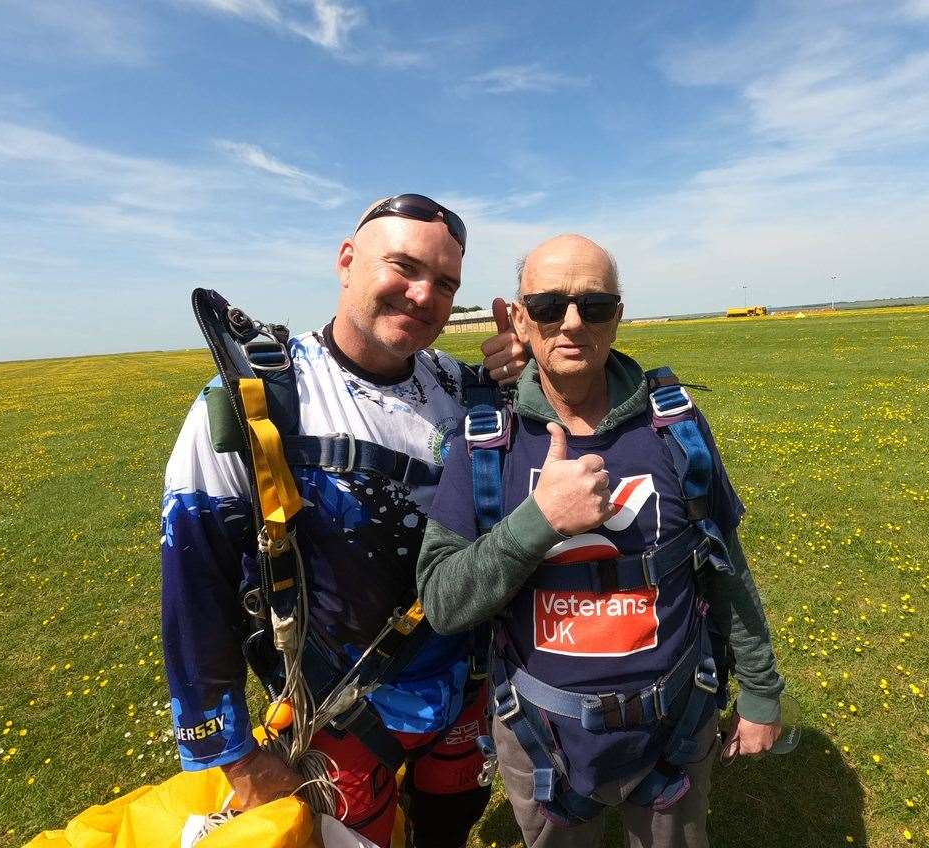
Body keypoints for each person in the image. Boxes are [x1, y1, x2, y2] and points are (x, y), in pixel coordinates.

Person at [161, 194, 528, 848]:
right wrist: (234, 756)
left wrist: (534, 388)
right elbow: (195, 583)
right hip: (334, 717)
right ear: (346, 261)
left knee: (447, 827)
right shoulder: (256, 400)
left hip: (464, 695)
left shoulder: (472, 393)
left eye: (444, 283)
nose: (422, 294)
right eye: (403, 267)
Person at [416, 234, 785, 847]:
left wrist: (761, 693)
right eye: (547, 305)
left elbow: (725, 568)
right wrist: (540, 520)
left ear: (618, 316)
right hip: (540, 737)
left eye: (594, 305)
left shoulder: (676, 427)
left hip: (677, 722)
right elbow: (444, 602)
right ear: (520, 317)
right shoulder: (487, 440)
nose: (570, 323)